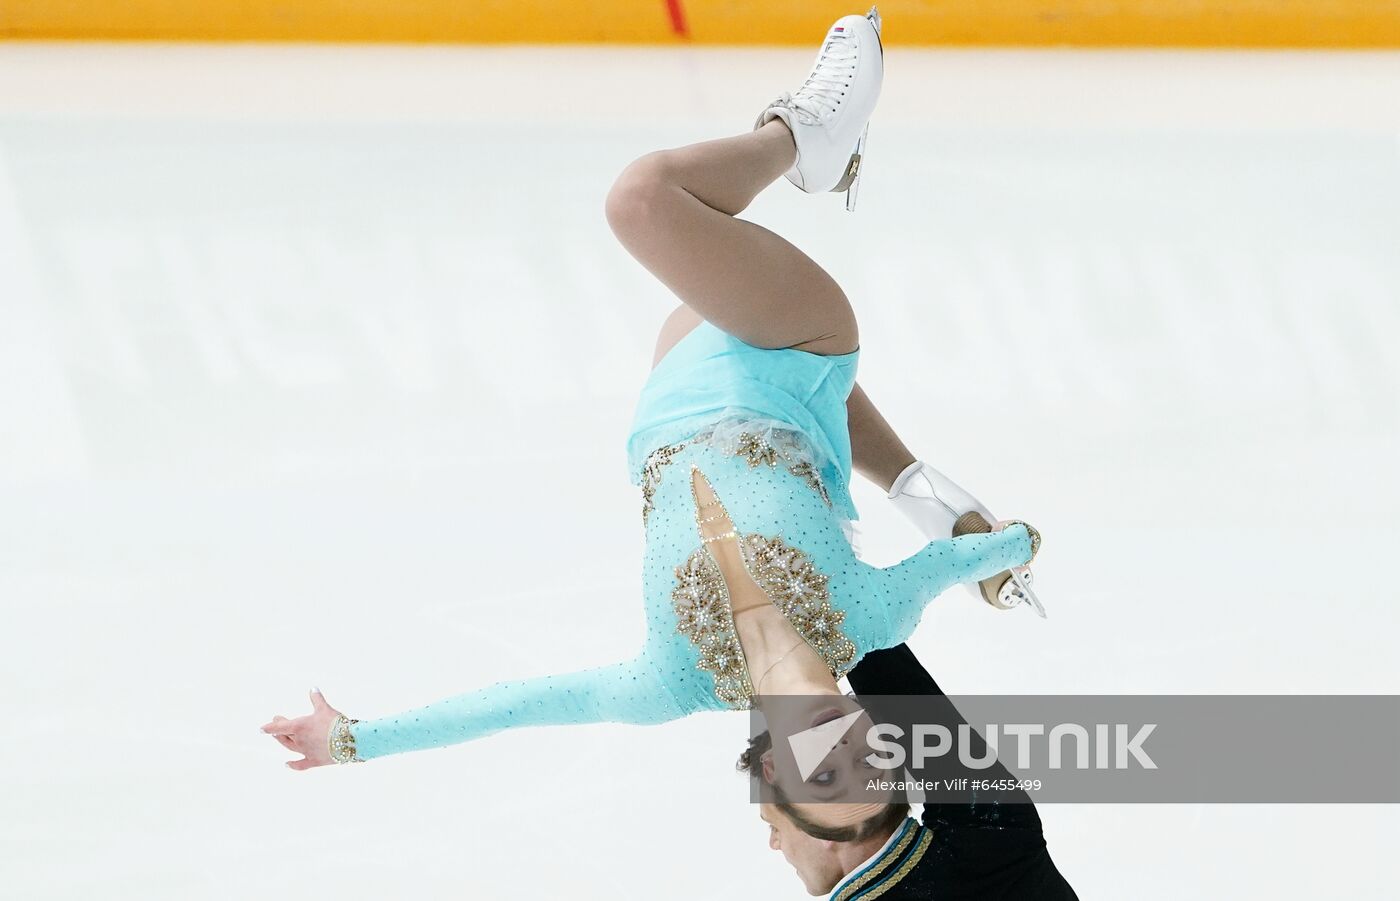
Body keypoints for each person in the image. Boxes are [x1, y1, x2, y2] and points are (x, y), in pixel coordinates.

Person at [261, 8, 1046, 837]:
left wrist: (358, 739)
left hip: (678, 391)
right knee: (644, 202)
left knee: (717, 263)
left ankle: (904, 462)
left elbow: (525, 703)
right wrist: (1003, 553)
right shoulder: (871, 618)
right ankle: (802, 135)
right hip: (806, 342)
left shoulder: (675, 680)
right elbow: (999, 542)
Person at [743, 644, 1079, 899]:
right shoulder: (991, 842)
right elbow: (869, 640)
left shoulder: (991, 839)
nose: (775, 843)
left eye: (772, 825)